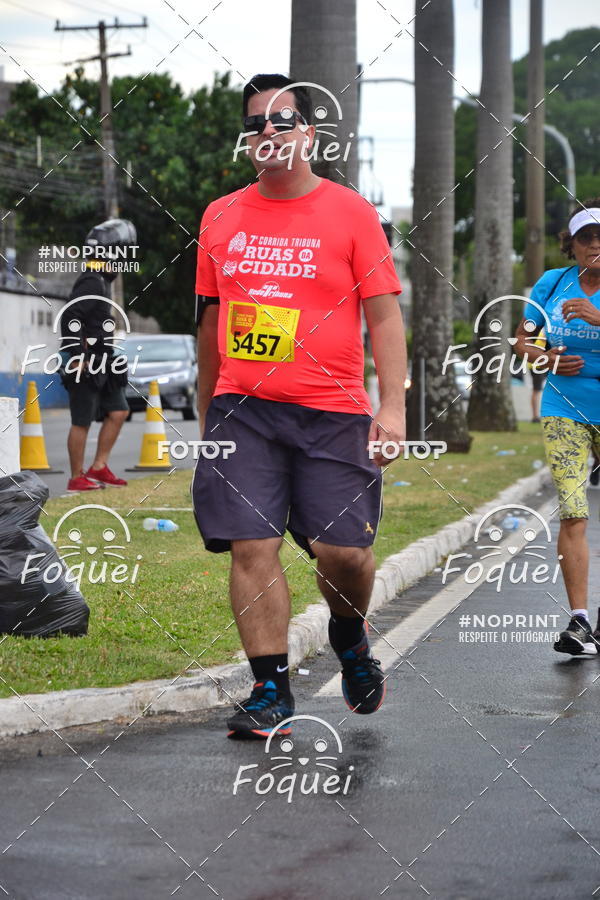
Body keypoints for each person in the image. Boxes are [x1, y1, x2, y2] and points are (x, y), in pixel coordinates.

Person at [193, 74, 406, 738]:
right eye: (255, 124)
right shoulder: (220, 216)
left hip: (335, 411)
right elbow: (208, 324)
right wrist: (209, 417)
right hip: (243, 411)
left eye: (281, 122)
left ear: (309, 133)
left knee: (342, 555)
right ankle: (270, 690)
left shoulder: (350, 213)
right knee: (251, 546)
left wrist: (392, 407)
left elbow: (384, 316)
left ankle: (349, 637)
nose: (267, 134)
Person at [514, 199, 600, 656]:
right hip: (564, 405)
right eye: (587, 237)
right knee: (573, 510)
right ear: (572, 245)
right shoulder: (553, 283)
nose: (597, 245)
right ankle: (580, 621)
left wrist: (596, 316)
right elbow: (522, 340)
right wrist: (548, 359)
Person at [60, 219, 135, 493]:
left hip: (102, 361)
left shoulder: (101, 280)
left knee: (119, 410)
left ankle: (99, 466)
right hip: (86, 362)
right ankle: (76, 477)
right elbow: (71, 315)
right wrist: (78, 356)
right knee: (82, 419)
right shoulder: (92, 280)